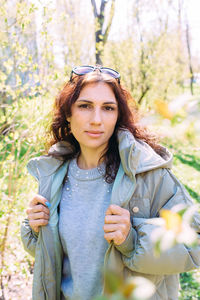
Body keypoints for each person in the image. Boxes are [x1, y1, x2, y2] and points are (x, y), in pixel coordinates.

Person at [21, 65, 200, 300]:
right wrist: (36, 230)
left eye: (108, 108)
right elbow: (66, 258)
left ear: (118, 116)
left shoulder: (147, 173)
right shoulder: (53, 174)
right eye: (85, 106)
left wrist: (132, 240)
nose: (96, 120)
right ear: (68, 113)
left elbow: (193, 242)